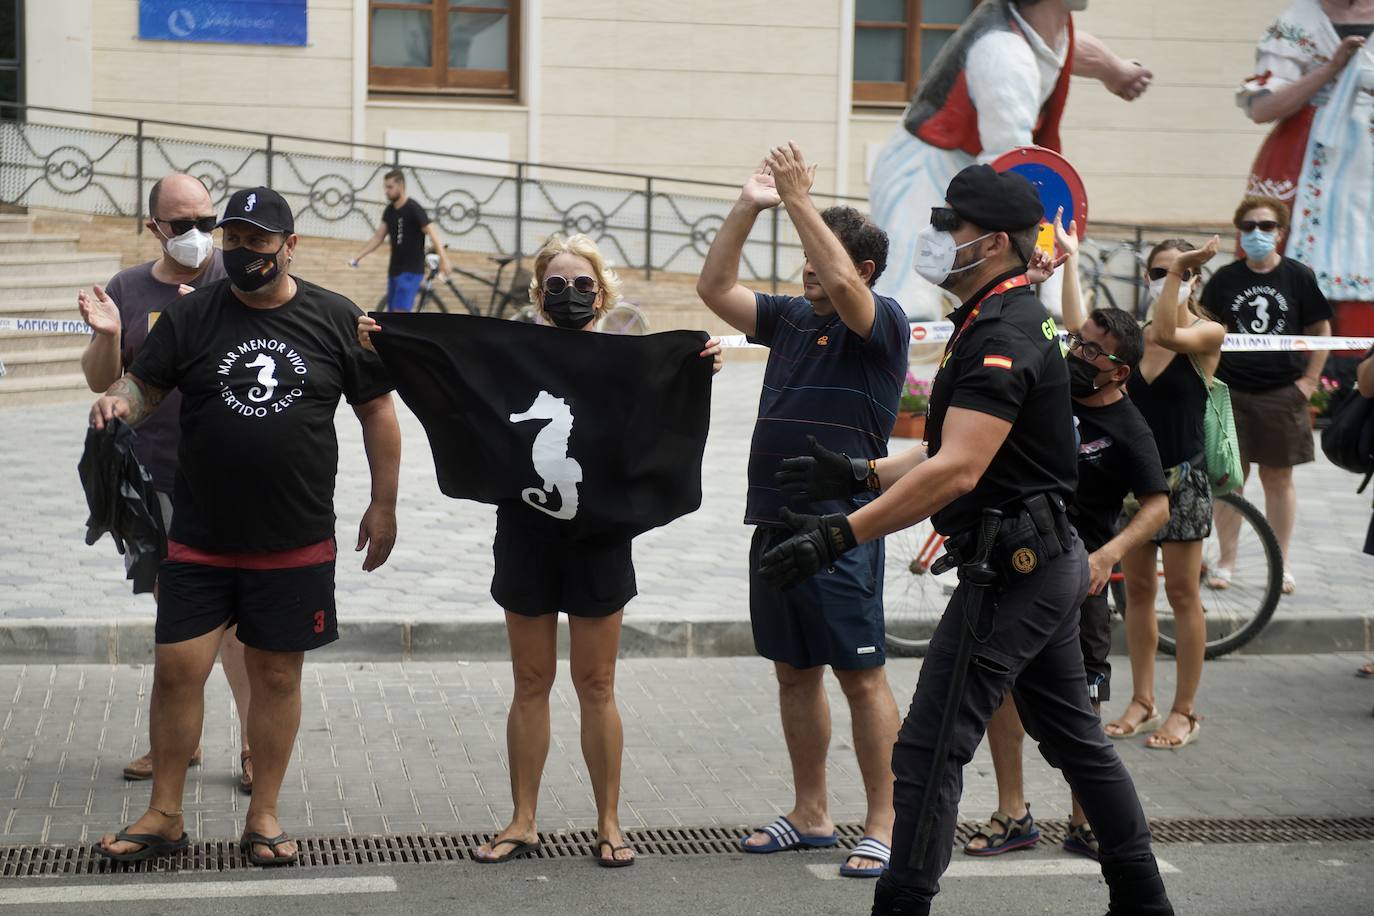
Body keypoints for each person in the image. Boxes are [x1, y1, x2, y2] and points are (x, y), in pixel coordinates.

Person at [760, 163, 1174, 915]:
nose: (938, 236)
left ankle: (904, 902)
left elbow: (958, 469)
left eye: (950, 224)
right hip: (1035, 560)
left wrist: (836, 535)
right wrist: (857, 470)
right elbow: (954, 448)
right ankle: (1143, 898)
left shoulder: (1004, 332)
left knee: (926, 750)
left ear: (992, 243)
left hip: (1015, 571)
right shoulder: (995, 318)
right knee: (1077, 742)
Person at [361, 234, 721, 868]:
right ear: (538, 292)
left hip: (601, 541)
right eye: (556, 284)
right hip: (527, 537)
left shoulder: (626, 359)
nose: (570, 295)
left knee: (597, 683)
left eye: (582, 285)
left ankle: (609, 823)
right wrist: (391, 339)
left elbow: (668, 394)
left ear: (602, 292)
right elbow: (453, 363)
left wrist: (698, 364)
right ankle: (523, 819)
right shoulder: (513, 355)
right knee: (531, 681)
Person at [89, 186, 402, 866]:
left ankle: (264, 816)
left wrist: (384, 504)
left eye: (258, 241)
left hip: (294, 534)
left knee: (277, 676)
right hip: (200, 532)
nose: (242, 252)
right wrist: (118, 405)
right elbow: (145, 385)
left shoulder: (334, 317)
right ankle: (165, 813)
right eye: (234, 240)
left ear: (289, 246)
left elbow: (377, 410)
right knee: (178, 667)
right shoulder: (192, 315)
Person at [695, 144, 908, 879]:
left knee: (861, 675)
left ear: (864, 271)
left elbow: (846, 283)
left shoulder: (880, 323)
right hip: (775, 520)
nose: (809, 270)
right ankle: (811, 812)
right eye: (806, 259)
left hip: (843, 526)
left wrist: (799, 203)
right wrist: (753, 205)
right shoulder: (786, 318)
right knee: (793, 672)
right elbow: (715, 285)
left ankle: (884, 821)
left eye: (821, 258)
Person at [963, 221, 1169, 858]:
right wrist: (1036, 280)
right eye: (1077, 344)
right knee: (998, 688)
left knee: (1079, 702)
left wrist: (1107, 556)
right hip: (1015, 561)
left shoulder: (1131, 428)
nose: (1078, 356)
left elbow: (1158, 506)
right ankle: (1012, 813)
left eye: (1093, 352)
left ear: (1122, 371)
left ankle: (1084, 821)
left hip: (1081, 582)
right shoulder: (1054, 386)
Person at [76, 172, 253, 792]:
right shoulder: (128, 287)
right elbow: (105, 382)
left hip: (229, 477)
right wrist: (106, 336)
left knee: (234, 624)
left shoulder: (235, 278)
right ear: (156, 228)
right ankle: (181, 740)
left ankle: (255, 744)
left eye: (208, 221)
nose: (200, 235)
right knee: (179, 616)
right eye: (184, 225)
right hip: (156, 477)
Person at [868, 0, 1152, 318]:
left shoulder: (1043, 30)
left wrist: (1113, 69)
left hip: (974, 165)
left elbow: (1067, 49)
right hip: (924, 171)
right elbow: (1011, 165)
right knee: (908, 302)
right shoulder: (1003, 52)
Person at [1094, 237, 1225, 751]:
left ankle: (1185, 710)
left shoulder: (1206, 332)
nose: (1166, 278)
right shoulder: (1137, 334)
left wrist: (1180, 277)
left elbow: (1171, 331)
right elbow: (1085, 325)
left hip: (1184, 479)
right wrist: (1071, 253)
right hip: (1137, 484)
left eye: (1179, 271)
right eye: (1158, 270)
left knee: (1183, 594)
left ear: (1194, 277)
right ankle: (1143, 700)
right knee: (1138, 593)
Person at [1204, 197, 1332, 595]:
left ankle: (1283, 562)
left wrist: (1309, 381)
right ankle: (1226, 562)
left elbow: (1322, 330)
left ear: (1280, 231)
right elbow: (1203, 328)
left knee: (1278, 480)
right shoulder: (1225, 278)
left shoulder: (1298, 276)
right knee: (1229, 481)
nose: (1256, 233)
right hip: (1230, 394)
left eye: (1265, 226)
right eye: (1248, 226)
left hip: (1282, 393)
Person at [1240, 0, 1373, 343]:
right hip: (1304, 158)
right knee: (1282, 265)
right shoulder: (1297, 22)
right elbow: (1262, 108)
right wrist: (1331, 69)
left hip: (1365, 165)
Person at [348, 169, 453, 312]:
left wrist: (444, 259)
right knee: (391, 315)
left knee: (400, 314)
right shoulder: (390, 211)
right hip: (394, 270)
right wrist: (358, 257)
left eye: (390, 187)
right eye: (385, 187)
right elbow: (378, 237)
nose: (386, 191)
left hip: (411, 271)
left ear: (401, 186)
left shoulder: (414, 208)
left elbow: (432, 233)